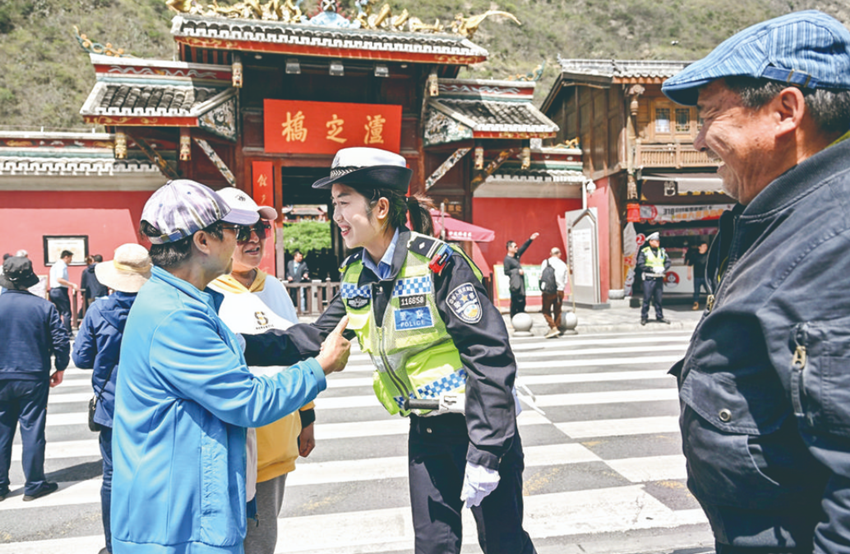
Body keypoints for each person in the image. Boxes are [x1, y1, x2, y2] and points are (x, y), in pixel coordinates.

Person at [243, 147, 537, 554]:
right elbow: (311, 338)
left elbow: (489, 355)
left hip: (476, 424)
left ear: (380, 208)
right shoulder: (355, 276)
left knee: (505, 544)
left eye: (344, 203)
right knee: (433, 546)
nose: (335, 215)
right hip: (426, 430)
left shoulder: (438, 265)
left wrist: (487, 450)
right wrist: (237, 345)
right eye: (334, 204)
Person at [660, 10, 850, 554]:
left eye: (708, 115)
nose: (699, 140)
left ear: (786, 111)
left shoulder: (834, 239)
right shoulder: (777, 217)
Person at [110, 179, 351, 554]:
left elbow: (258, 344)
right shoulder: (177, 316)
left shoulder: (181, 301)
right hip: (178, 519)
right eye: (233, 231)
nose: (245, 239)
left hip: (180, 499)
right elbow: (247, 400)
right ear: (202, 241)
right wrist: (319, 367)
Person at [209, 187, 315, 554]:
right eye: (242, 232)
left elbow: (298, 354)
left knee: (262, 538)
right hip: (234, 441)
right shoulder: (207, 292)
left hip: (279, 438)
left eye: (260, 229)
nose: (254, 239)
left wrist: (307, 417)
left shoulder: (275, 288)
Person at [72, 244, 152, 554]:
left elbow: (81, 358)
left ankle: (113, 544)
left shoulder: (98, 310)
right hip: (151, 405)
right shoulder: (156, 308)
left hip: (111, 404)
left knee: (112, 476)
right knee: (151, 475)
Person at [0, 256, 68, 502]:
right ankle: (34, 484)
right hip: (33, 374)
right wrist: (60, 367)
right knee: (33, 429)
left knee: (2, 430)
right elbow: (60, 340)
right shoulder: (44, 307)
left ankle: (0, 484)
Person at [635, 232, 670, 325]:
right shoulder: (645, 251)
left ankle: (660, 316)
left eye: (658, 241)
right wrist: (651, 269)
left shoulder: (662, 251)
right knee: (647, 299)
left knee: (659, 299)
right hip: (649, 278)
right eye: (655, 241)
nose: (658, 242)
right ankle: (644, 317)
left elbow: (668, 262)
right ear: (650, 241)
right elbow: (640, 263)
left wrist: (664, 268)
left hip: (659, 278)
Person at [503, 232, 539, 319]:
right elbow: (506, 272)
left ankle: (522, 319)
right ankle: (513, 319)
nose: (517, 248)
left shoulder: (517, 256)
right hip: (515, 284)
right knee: (515, 302)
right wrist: (517, 271)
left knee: (522, 301)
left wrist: (530, 239)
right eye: (515, 247)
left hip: (521, 283)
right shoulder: (507, 259)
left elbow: (524, 247)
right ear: (509, 248)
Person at [539, 247, 569, 338]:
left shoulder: (546, 262)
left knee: (546, 310)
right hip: (559, 290)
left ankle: (553, 327)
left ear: (550, 254)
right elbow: (565, 280)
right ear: (559, 254)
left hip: (548, 290)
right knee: (558, 311)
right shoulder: (563, 264)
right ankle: (557, 328)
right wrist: (561, 286)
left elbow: (542, 275)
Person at [48, 250, 78, 334]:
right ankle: (68, 332)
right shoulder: (62, 265)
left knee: (57, 312)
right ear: (66, 257)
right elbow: (59, 279)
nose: (71, 260)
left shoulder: (55, 265)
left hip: (53, 290)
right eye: (70, 258)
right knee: (66, 312)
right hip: (60, 290)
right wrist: (72, 284)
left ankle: (56, 330)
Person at [685, 242, 708, 310]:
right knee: (696, 291)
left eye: (706, 247)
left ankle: (711, 303)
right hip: (697, 276)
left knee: (709, 291)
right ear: (699, 247)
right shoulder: (695, 255)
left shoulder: (708, 255)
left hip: (706, 276)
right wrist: (689, 274)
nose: (705, 248)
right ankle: (696, 303)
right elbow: (689, 265)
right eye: (703, 246)